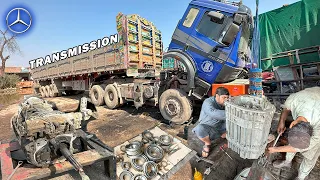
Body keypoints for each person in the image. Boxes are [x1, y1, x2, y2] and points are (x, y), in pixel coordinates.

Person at [268, 86, 320, 180]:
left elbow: (298, 148)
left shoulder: (318, 130)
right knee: (293, 141)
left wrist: (276, 149)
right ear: (292, 124)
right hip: (311, 96)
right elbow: (286, 108)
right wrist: (282, 121)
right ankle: (287, 162)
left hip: (317, 118)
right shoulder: (294, 99)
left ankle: (301, 177)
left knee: (311, 156)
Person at [192, 87, 230, 158]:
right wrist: (231, 113)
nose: (226, 100)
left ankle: (223, 134)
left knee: (233, 123)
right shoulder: (208, 102)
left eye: (227, 97)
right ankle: (207, 143)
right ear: (217, 96)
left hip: (219, 128)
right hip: (208, 128)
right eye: (224, 97)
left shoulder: (225, 104)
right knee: (199, 129)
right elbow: (213, 113)